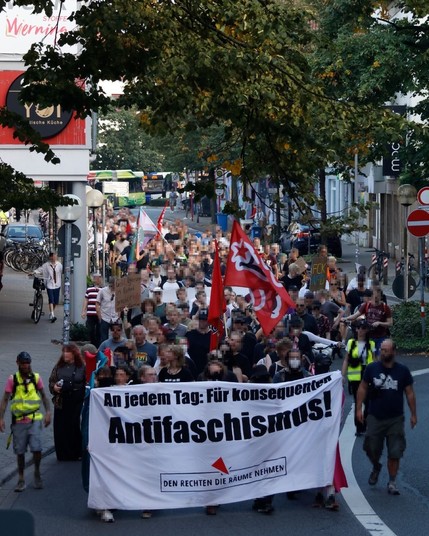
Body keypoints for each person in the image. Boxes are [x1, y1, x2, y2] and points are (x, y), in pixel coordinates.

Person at [356, 339, 417, 495]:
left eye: (386, 350)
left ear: (393, 352)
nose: (383, 353)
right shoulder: (371, 368)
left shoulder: (402, 371)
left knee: (395, 451)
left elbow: (409, 393)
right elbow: (362, 388)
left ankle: (392, 481)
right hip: (375, 416)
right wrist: (358, 409)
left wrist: (413, 414)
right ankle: (376, 466)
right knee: (371, 447)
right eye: (382, 350)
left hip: (395, 418)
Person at [0, 352, 51, 491]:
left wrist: (48, 412)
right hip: (18, 422)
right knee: (20, 452)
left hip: (34, 419)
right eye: (23, 363)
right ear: (18, 363)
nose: (25, 365)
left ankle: (37, 471)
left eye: (27, 363)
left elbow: (44, 396)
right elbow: (5, 399)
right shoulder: (13, 380)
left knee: (37, 449)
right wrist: (1, 418)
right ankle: (21, 478)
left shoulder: (36, 378)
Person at [49, 344, 86, 461]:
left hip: (76, 400)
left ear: (74, 354)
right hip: (62, 400)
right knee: (60, 427)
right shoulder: (58, 367)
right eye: (64, 352)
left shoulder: (82, 366)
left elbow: (87, 382)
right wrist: (54, 387)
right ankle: (62, 454)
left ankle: (76, 452)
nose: (65, 354)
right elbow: (52, 381)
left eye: (68, 352)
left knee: (73, 425)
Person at [341, 320, 376, 436]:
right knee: (358, 402)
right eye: (359, 328)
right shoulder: (351, 343)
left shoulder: (371, 344)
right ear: (356, 330)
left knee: (369, 403)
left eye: (363, 328)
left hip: (368, 376)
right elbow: (346, 359)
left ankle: (365, 422)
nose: (361, 330)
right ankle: (359, 427)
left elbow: (375, 361)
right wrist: (342, 375)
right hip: (355, 377)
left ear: (366, 330)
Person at [96, 277, 120, 343]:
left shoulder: (119, 291)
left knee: (116, 336)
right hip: (104, 317)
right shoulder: (102, 291)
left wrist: (119, 314)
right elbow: (97, 303)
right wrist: (99, 316)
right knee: (104, 338)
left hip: (115, 317)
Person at [81, 272, 102, 347]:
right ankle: (93, 344)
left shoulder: (102, 290)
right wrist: (83, 311)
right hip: (90, 313)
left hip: (99, 314)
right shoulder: (89, 289)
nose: (98, 279)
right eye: (96, 278)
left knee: (99, 331)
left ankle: (98, 346)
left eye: (99, 278)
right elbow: (86, 300)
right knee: (90, 330)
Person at [41, 251, 63, 322]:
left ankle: (51, 312)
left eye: (56, 256)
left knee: (55, 302)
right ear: (50, 257)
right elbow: (41, 269)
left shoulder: (59, 265)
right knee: (51, 299)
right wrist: (34, 272)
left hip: (57, 284)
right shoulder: (46, 265)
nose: (55, 257)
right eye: (54, 256)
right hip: (50, 284)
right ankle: (52, 315)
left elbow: (62, 272)